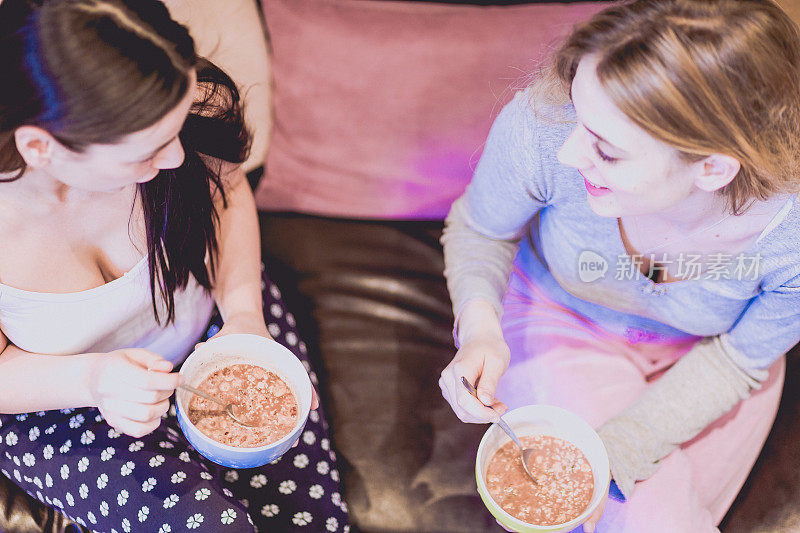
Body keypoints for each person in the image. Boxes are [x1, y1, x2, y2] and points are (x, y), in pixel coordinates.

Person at [438, 0, 800, 531]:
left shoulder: (790, 239)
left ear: (713, 168)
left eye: (606, 151)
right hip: (562, 321)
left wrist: (616, 451)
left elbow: (738, 361)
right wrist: (479, 328)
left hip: (713, 366)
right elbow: (481, 229)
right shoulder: (543, 127)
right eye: (579, 115)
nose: (568, 154)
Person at [0, 1, 348, 532]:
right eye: (146, 152)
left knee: (311, 522)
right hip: (58, 400)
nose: (177, 161)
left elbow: (228, 192)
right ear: (40, 146)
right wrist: (92, 379)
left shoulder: (177, 111)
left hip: (221, 315)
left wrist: (245, 318)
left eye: (176, 132)